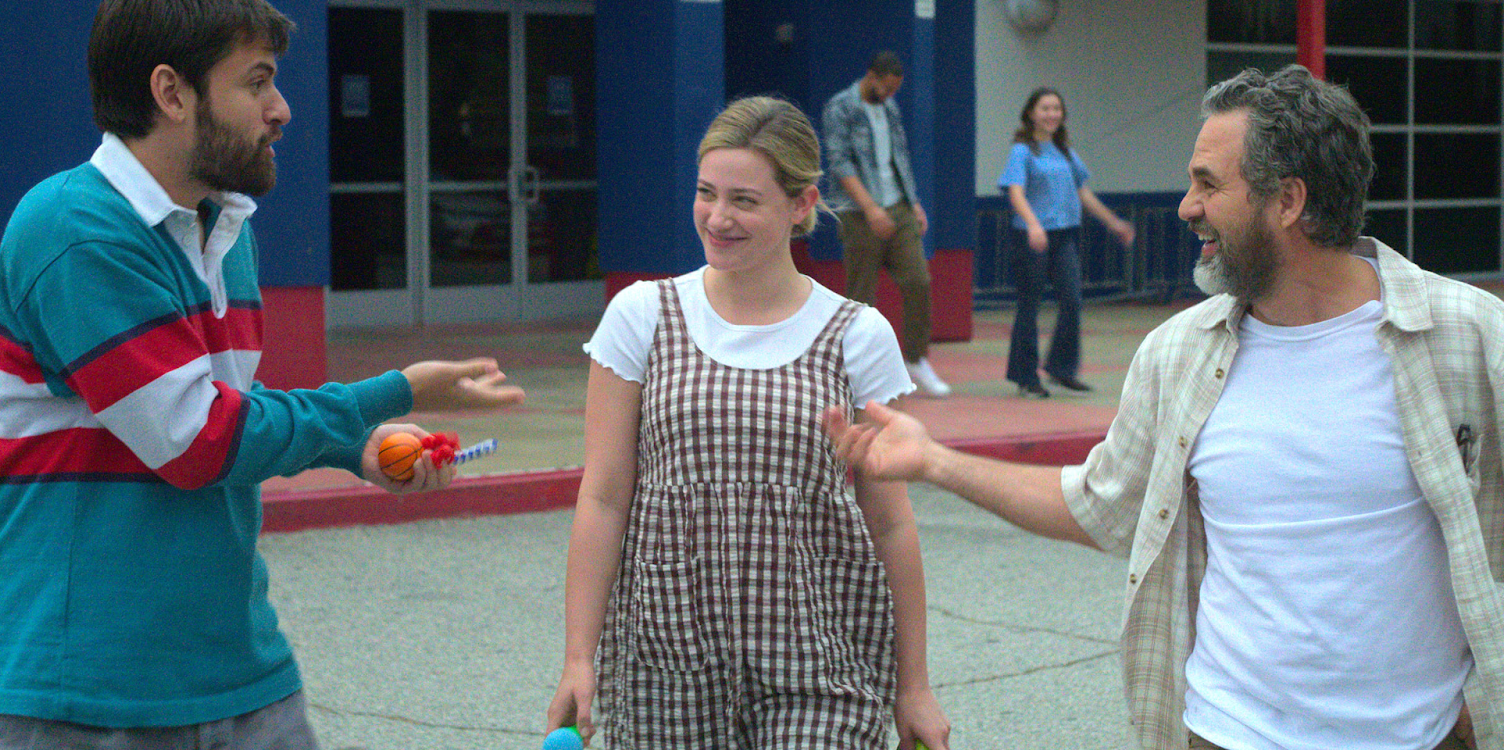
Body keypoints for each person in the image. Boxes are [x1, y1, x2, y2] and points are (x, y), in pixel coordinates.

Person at [825, 65, 1501, 750]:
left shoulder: (1467, 338)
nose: (1185, 206)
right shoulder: (1178, 354)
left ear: (1288, 200)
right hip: (1224, 734)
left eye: (1209, 183)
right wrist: (934, 461)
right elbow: (1098, 502)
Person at [0, 0, 527, 749]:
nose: (281, 109)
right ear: (172, 93)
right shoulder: (75, 229)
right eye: (256, 83)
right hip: (81, 691)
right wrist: (389, 394)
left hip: (235, 669)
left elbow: (223, 417)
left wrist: (360, 449)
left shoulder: (226, 231)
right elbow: (198, 441)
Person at [546, 96, 950, 749]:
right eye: (707, 193)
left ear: (801, 205)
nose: (718, 217)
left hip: (820, 659)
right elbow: (603, 495)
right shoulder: (641, 315)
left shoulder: (858, 334)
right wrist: (577, 657)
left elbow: (891, 520)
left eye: (744, 200)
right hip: (665, 661)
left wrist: (915, 686)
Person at [823, 51, 950, 397]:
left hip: (898, 205)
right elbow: (839, 161)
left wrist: (915, 202)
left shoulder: (889, 108)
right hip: (858, 211)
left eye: (895, 89)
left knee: (918, 279)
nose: (889, 95)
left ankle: (915, 358)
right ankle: (856, 369)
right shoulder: (841, 107)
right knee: (861, 294)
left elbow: (900, 157)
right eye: (885, 87)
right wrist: (870, 208)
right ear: (871, 76)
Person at [999, 88, 1134, 398]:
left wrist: (1113, 223)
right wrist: (1033, 225)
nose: (1052, 114)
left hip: (1065, 235)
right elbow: (1016, 192)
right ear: (1031, 113)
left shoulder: (1066, 152)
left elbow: (1083, 194)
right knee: (1029, 305)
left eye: (1057, 109)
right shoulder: (1022, 151)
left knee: (1072, 299)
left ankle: (1062, 369)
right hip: (1032, 237)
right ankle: (1025, 375)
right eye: (1045, 108)